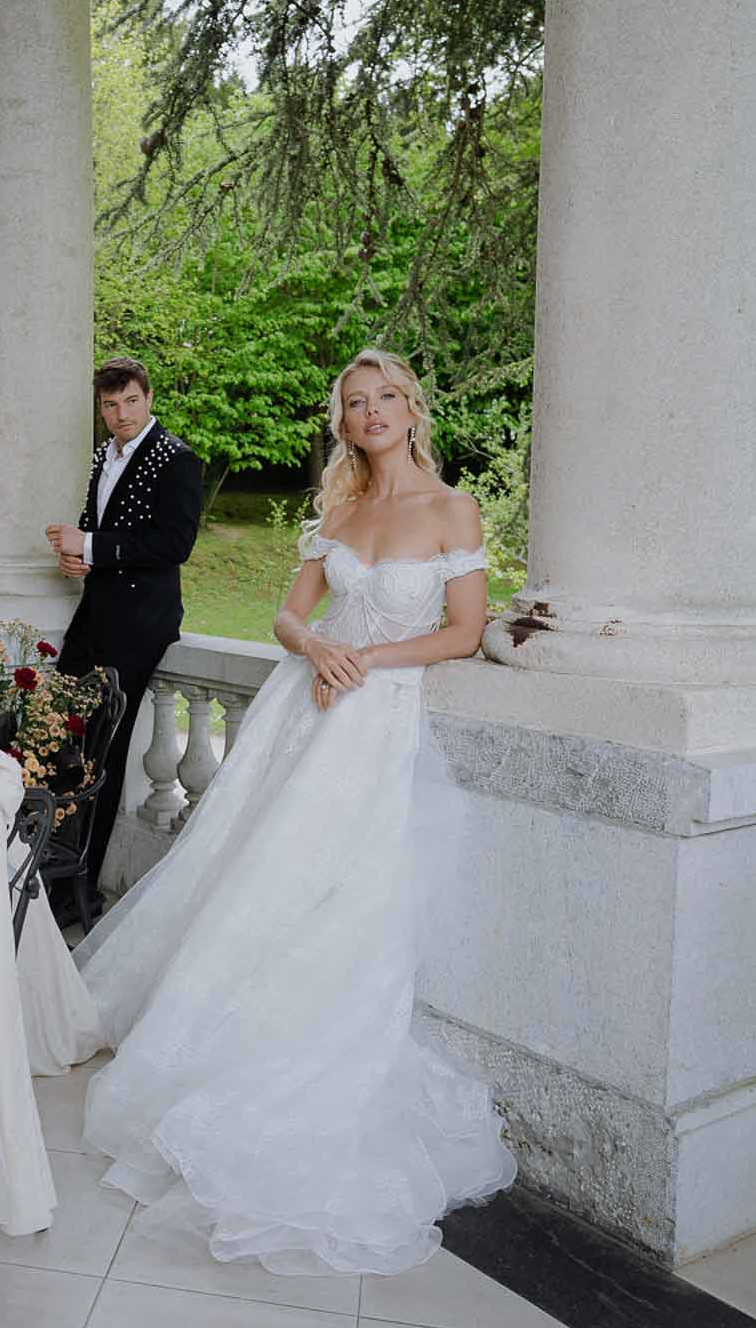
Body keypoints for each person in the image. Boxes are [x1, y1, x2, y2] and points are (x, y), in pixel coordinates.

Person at [75, 348, 516, 1277]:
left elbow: (464, 631)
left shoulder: (451, 508)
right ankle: (209, 1042)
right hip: (303, 709)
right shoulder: (340, 508)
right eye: (354, 403)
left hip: (376, 716)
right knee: (255, 873)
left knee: (339, 888)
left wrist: (364, 662)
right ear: (345, 419)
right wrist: (317, 647)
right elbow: (285, 617)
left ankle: (305, 1047)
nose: (370, 413)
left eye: (384, 397)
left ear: (410, 405)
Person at [45, 357, 203, 920]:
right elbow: (102, 528)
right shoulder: (103, 457)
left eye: (130, 402)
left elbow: (174, 543)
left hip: (139, 626)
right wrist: (80, 561)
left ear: (148, 397)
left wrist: (90, 547)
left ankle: (78, 891)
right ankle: (50, 875)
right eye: (110, 406)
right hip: (94, 617)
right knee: (58, 741)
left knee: (101, 757)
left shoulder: (177, 459)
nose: (121, 414)